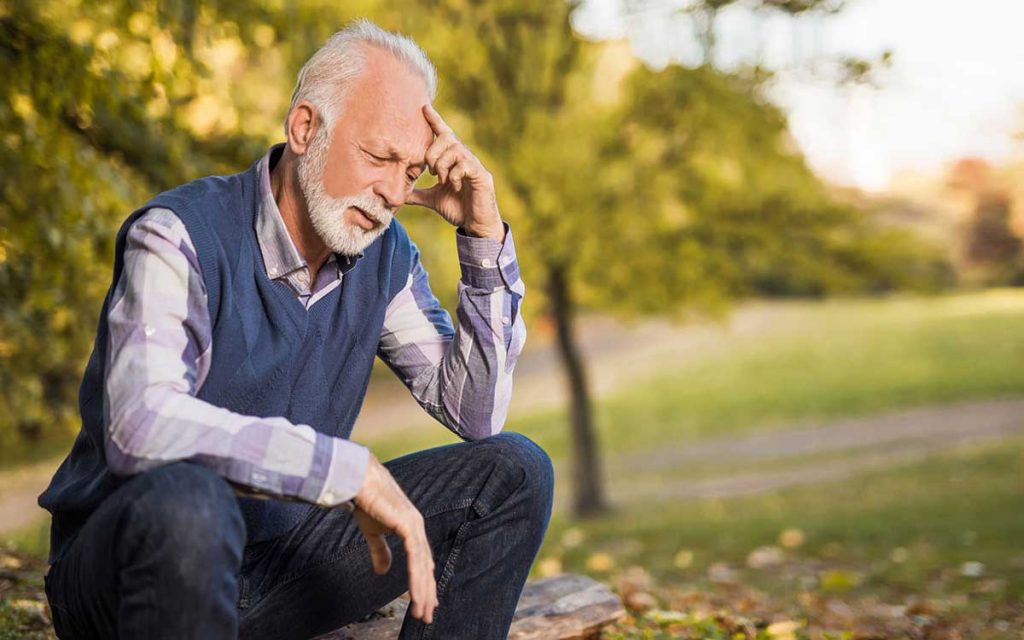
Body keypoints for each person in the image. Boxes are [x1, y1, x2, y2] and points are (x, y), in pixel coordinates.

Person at [37, 19, 553, 640]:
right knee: (192, 504)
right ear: (305, 127)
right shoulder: (178, 235)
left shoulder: (384, 255)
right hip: (134, 572)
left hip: (278, 571)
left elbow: (475, 413)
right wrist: (338, 468)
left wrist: (483, 236)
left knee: (515, 471)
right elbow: (140, 427)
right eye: (378, 155)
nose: (393, 191)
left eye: (412, 169)